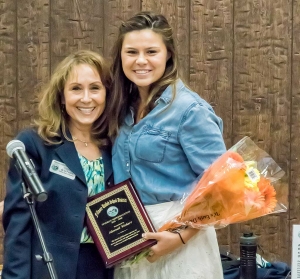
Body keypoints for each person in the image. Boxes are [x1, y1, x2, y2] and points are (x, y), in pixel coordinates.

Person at [108, 11, 227, 279]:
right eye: (131, 52)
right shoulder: (121, 108)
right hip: (129, 238)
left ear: (168, 54)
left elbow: (222, 188)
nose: (141, 61)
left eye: (151, 51)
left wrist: (181, 237)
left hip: (180, 242)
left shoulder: (189, 110)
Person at [2, 50, 114, 279]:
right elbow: (18, 226)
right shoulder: (34, 144)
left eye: (95, 88)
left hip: (104, 270)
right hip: (49, 269)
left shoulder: (116, 145)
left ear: (106, 94)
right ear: (61, 96)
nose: (86, 98)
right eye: (75, 88)